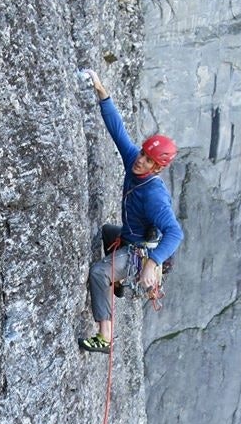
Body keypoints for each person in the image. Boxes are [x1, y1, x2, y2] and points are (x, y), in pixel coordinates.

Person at [78, 70, 184, 353]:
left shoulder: (153, 195)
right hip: (130, 237)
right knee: (106, 233)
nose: (140, 161)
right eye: (142, 155)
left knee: (99, 272)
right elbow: (118, 131)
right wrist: (102, 92)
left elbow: (175, 232)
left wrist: (152, 262)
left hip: (141, 253)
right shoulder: (134, 161)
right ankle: (120, 280)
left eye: (148, 160)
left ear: (157, 168)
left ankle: (104, 338)